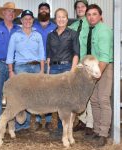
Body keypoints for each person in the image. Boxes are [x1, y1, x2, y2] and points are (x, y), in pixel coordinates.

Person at [6, 10, 45, 131]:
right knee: (21, 95)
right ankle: (22, 123)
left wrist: (42, 70)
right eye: (25, 19)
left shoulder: (37, 35)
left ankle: (32, 122)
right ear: (21, 21)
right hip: (21, 67)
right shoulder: (15, 35)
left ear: (33, 21)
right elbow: (9, 54)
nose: (27, 21)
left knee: (35, 94)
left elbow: (41, 54)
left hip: (35, 67)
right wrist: (11, 71)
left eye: (30, 19)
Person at [47, 8, 80, 138]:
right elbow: (48, 55)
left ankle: (64, 130)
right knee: (56, 98)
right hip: (54, 69)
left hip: (67, 68)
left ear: (67, 19)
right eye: (58, 17)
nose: (61, 19)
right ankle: (59, 128)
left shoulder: (73, 34)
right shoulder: (50, 35)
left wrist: (72, 71)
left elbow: (76, 54)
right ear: (55, 19)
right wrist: (48, 73)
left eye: (63, 17)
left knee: (66, 101)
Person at [0, 2, 22, 128]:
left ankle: (10, 123)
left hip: (13, 66)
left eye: (13, 12)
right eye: (8, 11)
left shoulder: (18, 30)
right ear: (3, 13)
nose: (11, 13)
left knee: (13, 95)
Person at [85, 4, 113, 147]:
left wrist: (97, 73)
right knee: (94, 100)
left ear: (100, 16)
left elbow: (105, 57)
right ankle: (96, 130)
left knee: (103, 100)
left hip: (104, 68)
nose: (91, 17)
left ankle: (104, 134)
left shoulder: (104, 31)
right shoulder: (92, 30)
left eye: (94, 14)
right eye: (89, 14)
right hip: (93, 68)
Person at [69, 0, 94, 136]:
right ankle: (82, 120)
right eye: (77, 7)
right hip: (76, 64)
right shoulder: (73, 26)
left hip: (88, 63)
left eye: (82, 6)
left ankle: (90, 124)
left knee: (88, 94)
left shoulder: (91, 24)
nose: (80, 9)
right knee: (78, 94)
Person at [33, 2, 56, 131]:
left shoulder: (55, 26)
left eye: (46, 9)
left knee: (49, 92)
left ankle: (47, 121)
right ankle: (37, 120)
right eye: (41, 9)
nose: (43, 11)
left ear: (49, 12)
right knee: (37, 91)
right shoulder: (32, 25)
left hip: (50, 63)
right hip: (36, 63)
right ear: (38, 11)